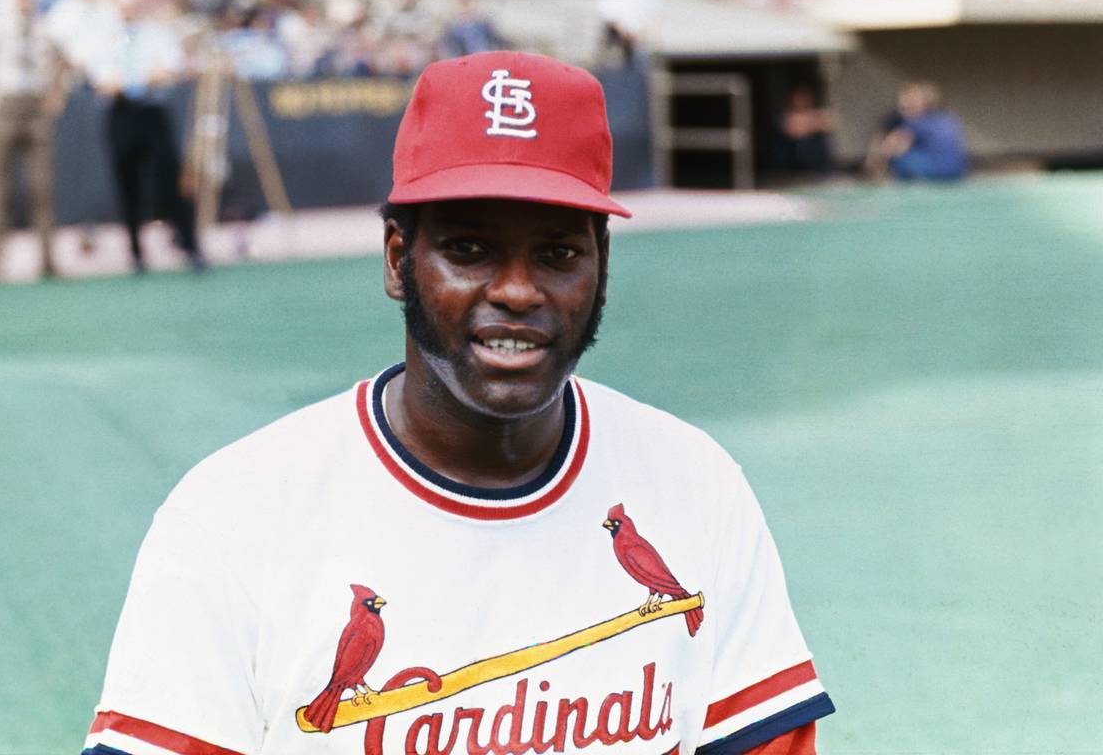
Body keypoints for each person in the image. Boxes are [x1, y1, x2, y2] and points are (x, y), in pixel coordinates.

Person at [83, 51, 834, 755]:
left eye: (558, 251)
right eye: (469, 249)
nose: (517, 290)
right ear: (397, 259)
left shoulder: (695, 483)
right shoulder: (234, 514)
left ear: (601, 265)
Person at [89, 0, 204, 273]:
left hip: (152, 111)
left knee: (171, 179)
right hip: (121, 113)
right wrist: (115, 82)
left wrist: (157, 75)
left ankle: (189, 244)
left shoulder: (156, 33)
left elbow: (171, 67)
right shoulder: (105, 36)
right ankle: (136, 251)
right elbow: (100, 75)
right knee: (126, 182)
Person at [0, 0, 69, 282]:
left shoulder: (46, 26)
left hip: (36, 108)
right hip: (6, 107)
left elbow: (65, 62)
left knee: (43, 188)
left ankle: (48, 261)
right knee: (0, 189)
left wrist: (57, 94)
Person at [865, 81, 968, 181]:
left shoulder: (917, 121)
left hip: (932, 172)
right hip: (957, 171)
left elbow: (891, 146)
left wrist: (876, 161)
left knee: (900, 157)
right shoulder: (950, 118)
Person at [776, 85, 833, 176]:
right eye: (799, 98)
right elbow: (792, 131)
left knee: (823, 139)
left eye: (804, 97)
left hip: (816, 156)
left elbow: (826, 125)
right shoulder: (785, 115)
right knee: (802, 142)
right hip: (794, 157)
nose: (802, 100)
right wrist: (809, 125)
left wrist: (806, 126)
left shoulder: (815, 113)